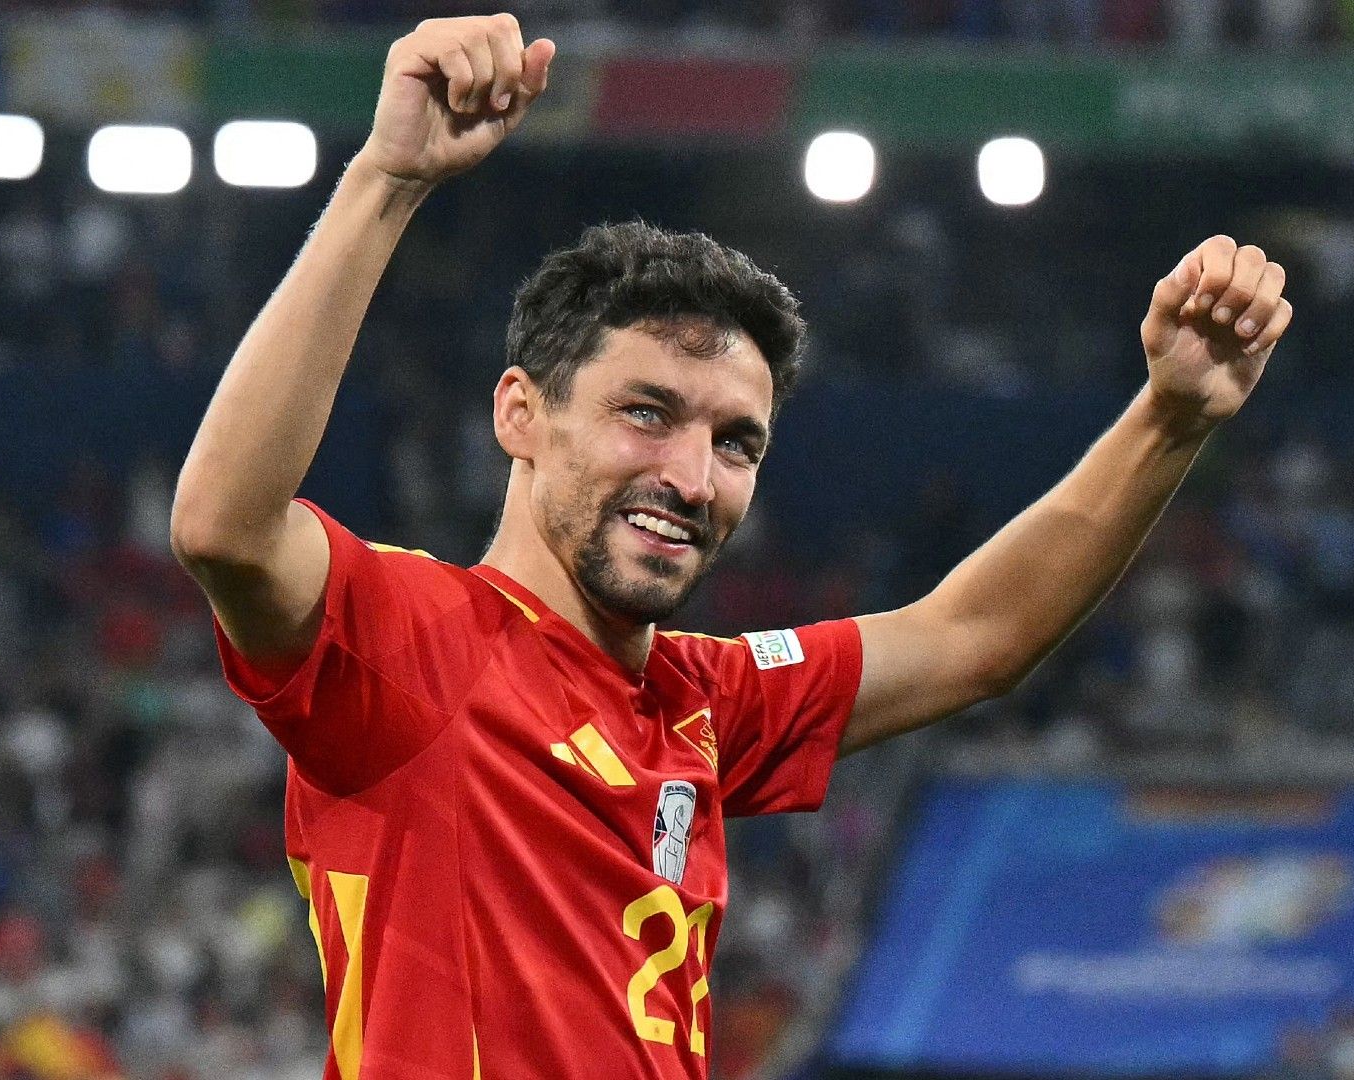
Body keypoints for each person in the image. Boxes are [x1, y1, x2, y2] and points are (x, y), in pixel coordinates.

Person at [168, 13, 1293, 1080]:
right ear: (520, 413)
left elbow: (974, 639)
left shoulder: (705, 703)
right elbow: (223, 526)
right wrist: (388, 179)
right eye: (646, 412)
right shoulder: (414, 646)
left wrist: (1170, 420)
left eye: (736, 441)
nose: (691, 478)